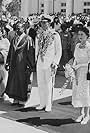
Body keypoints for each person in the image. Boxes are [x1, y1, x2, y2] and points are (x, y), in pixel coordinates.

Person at [35, 15, 62, 112]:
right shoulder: (38, 35)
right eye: (41, 22)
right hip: (40, 62)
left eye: (45, 22)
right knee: (40, 83)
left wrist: (55, 62)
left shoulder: (55, 35)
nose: (43, 24)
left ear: (49, 23)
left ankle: (48, 104)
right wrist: (36, 61)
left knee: (49, 84)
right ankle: (42, 103)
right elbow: (37, 50)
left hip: (50, 63)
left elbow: (58, 51)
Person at [5, 21, 35, 106]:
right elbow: (11, 51)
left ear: (24, 28)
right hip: (14, 64)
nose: (17, 29)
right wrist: (8, 61)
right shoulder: (14, 39)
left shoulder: (28, 39)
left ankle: (22, 100)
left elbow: (30, 53)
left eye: (19, 27)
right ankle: (15, 99)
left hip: (23, 64)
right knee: (14, 81)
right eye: (16, 27)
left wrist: (30, 65)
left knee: (22, 81)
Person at [72, 26, 90, 124]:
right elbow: (75, 58)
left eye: (82, 34)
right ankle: (81, 113)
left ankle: (87, 115)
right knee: (78, 92)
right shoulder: (77, 45)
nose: (80, 36)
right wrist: (72, 67)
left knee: (86, 92)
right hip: (77, 72)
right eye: (78, 34)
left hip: (86, 72)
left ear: (87, 36)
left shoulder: (89, 46)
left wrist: (80, 65)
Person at [0, 27, 10, 98]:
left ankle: (1, 93)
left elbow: (9, 51)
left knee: (4, 79)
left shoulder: (6, 41)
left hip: (3, 63)